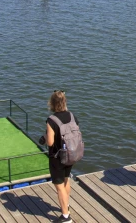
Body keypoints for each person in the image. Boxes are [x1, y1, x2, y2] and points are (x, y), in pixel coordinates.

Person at [46, 90, 78, 223]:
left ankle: (66, 217)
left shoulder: (51, 120)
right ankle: (67, 205)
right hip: (71, 154)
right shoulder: (72, 116)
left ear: (52, 104)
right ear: (65, 102)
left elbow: (50, 142)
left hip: (57, 158)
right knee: (66, 180)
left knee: (59, 187)